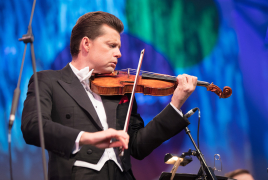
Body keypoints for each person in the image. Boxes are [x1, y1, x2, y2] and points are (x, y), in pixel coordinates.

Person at [21, 11, 197, 180]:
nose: (119, 53)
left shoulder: (122, 88)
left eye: (119, 47)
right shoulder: (48, 81)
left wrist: (176, 102)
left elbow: (138, 146)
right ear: (86, 44)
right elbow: (33, 127)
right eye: (112, 45)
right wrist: (87, 137)